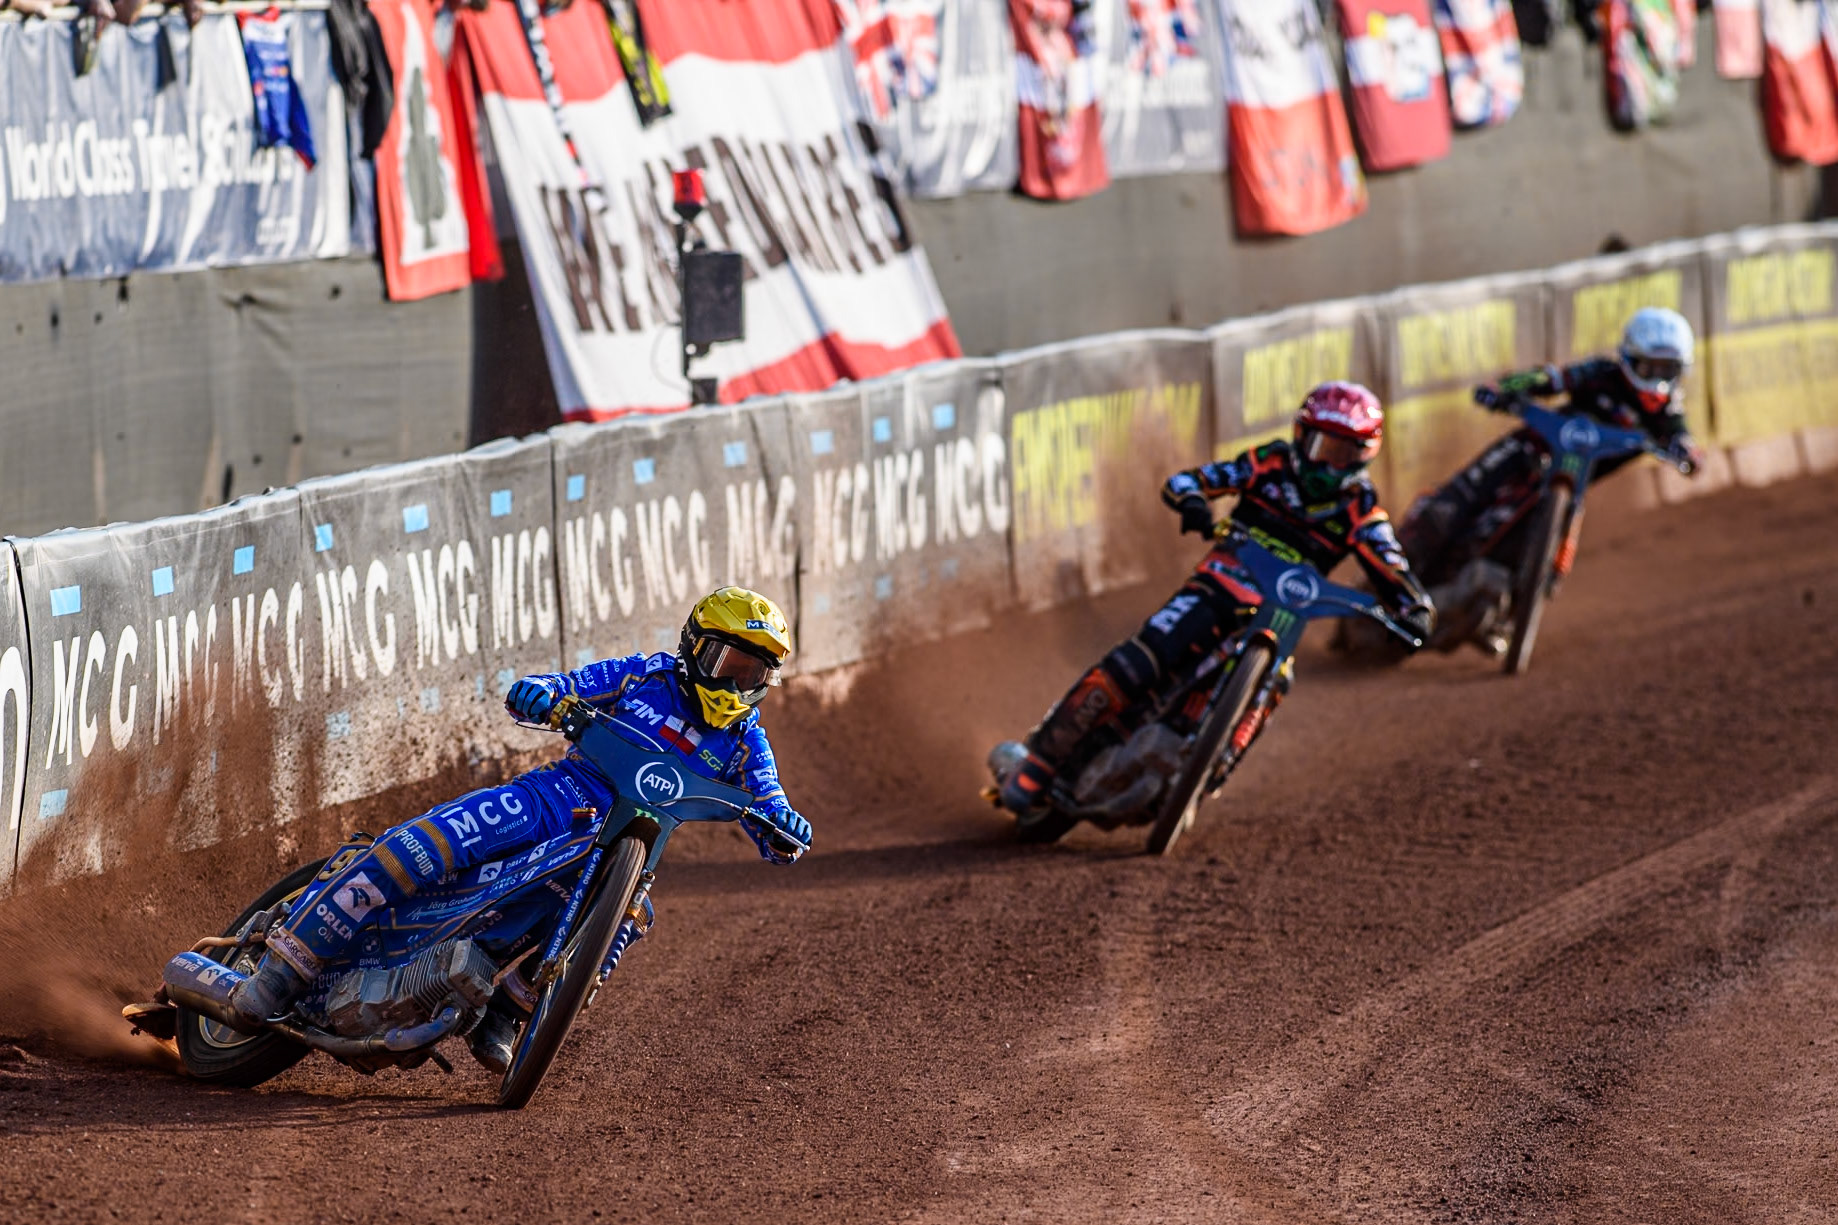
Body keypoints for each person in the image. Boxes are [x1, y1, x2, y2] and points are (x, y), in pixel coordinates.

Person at [218, 586, 813, 1071]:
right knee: (425, 846)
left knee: (631, 916)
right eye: (726, 664)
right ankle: (281, 971)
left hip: (622, 848)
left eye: (751, 673)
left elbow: (771, 807)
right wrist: (543, 694)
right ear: (692, 648)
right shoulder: (644, 676)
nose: (734, 684)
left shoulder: (747, 742)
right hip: (555, 799)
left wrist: (783, 826)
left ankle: (508, 1013)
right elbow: (569, 686)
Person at [998, 381, 1434, 817]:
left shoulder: (1363, 510)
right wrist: (1193, 502)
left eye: (1343, 453)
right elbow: (1188, 481)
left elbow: (1391, 564)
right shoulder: (1269, 463)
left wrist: (1415, 608)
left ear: (1365, 456)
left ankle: (1207, 776)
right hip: (1219, 585)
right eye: (1322, 447)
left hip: (1282, 615)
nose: (1328, 463)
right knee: (1144, 658)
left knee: (1276, 684)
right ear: (1301, 436)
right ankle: (1039, 761)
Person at [1394, 306, 1705, 655]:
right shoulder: (1601, 373)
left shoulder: (1665, 413)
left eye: (1668, 370)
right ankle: (1389, 567)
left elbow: (1683, 438)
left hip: (1568, 487)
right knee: (1449, 507)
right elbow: (1552, 378)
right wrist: (1504, 388)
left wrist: (1687, 454)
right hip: (1529, 448)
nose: (1658, 380)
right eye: (1650, 368)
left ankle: (1503, 618)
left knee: (1554, 569)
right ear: (1629, 359)